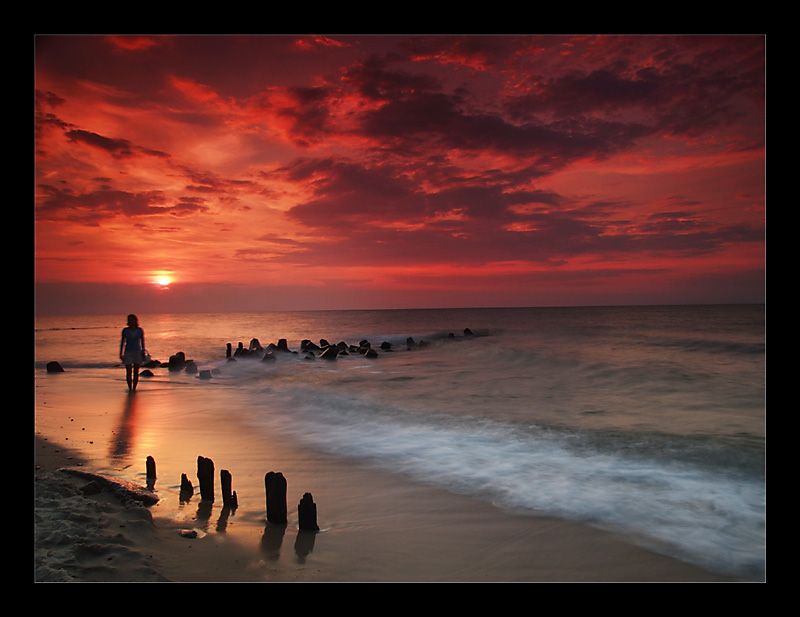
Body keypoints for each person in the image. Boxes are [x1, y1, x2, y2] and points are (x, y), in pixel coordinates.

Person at [120, 314, 146, 391]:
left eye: (132, 320)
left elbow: (142, 342)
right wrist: (121, 353)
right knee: (128, 371)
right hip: (128, 352)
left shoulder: (140, 330)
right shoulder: (125, 330)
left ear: (135, 321)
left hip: (137, 351)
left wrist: (143, 352)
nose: (131, 321)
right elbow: (122, 342)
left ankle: (134, 388)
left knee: (136, 371)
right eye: (129, 320)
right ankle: (130, 387)